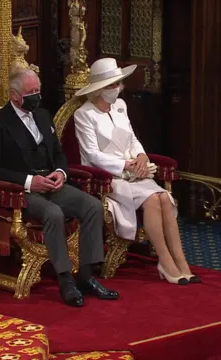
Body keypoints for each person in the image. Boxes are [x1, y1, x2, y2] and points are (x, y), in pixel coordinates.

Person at [0, 68, 119, 307]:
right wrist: (29, 182)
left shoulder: (43, 116)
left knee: (93, 206)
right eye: (30, 92)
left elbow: (58, 153)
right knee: (53, 213)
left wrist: (61, 173)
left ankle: (86, 275)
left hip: (52, 183)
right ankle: (66, 280)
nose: (36, 96)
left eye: (38, 91)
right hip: (21, 190)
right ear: (14, 96)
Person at [73, 58, 200, 285]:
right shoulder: (84, 114)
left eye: (119, 84)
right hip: (108, 177)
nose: (118, 89)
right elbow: (91, 154)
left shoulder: (121, 107)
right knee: (152, 198)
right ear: (100, 89)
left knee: (164, 197)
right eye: (113, 85)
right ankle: (165, 262)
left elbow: (132, 139)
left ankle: (181, 261)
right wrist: (124, 165)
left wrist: (141, 156)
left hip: (135, 173)